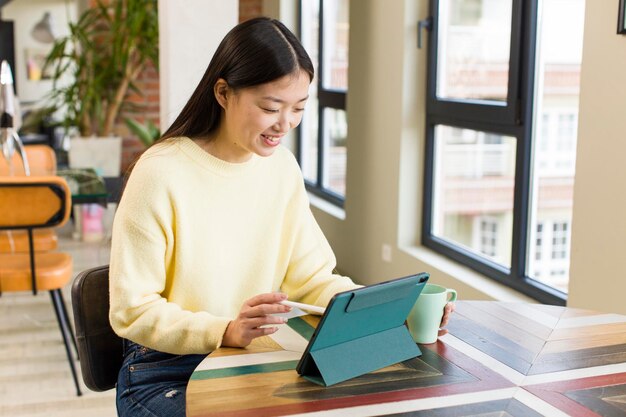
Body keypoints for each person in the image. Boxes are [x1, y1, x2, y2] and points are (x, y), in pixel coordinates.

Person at [109, 17, 454, 417]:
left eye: (298, 108)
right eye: (271, 107)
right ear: (223, 92)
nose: (285, 123)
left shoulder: (281, 169)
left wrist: (393, 314)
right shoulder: (160, 172)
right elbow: (131, 309)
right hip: (167, 370)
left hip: (254, 360)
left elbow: (311, 280)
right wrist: (224, 330)